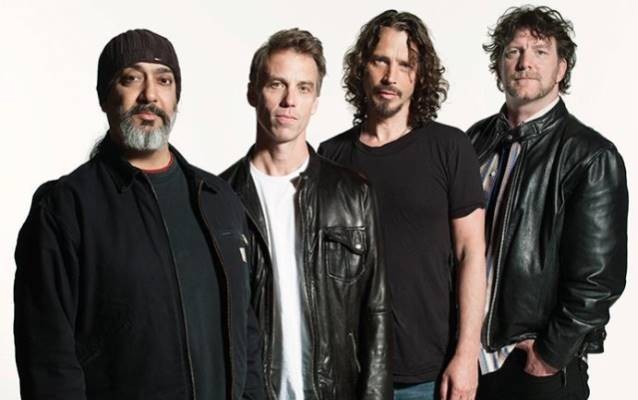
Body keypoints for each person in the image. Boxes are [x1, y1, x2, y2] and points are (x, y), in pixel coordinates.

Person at [14, 29, 263, 400]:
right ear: (104, 96)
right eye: (131, 78)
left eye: (164, 80)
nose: (150, 95)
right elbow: (48, 361)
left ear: (176, 97)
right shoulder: (65, 208)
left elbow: (246, 336)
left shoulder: (219, 199)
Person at [319, 10, 486, 400]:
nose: (390, 76)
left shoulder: (450, 147)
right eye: (381, 60)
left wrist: (466, 355)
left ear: (419, 75)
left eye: (405, 64)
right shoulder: (331, 156)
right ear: (362, 66)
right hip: (352, 372)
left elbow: (472, 252)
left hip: (430, 373)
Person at [466, 6, 628, 400]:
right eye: (513, 52)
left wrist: (549, 355)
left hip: (533, 368)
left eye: (540, 52)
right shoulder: (474, 141)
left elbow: (598, 279)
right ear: (499, 66)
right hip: (466, 362)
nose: (525, 63)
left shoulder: (590, 155)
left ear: (561, 69)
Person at [222, 28, 391, 400]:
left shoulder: (352, 194)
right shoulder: (220, 199)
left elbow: (376, 311)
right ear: (252, 92)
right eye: (276, 85)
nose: (289, 101)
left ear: (315, 101)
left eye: (303, 88)